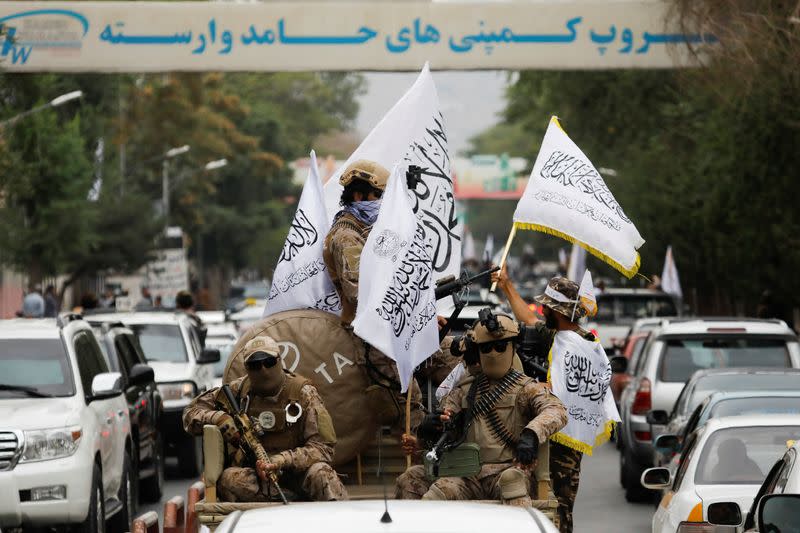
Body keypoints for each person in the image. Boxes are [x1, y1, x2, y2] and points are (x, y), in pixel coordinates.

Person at [395, 311, 567, 507]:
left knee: (513, 484)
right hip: (466, 472)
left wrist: (531, 434)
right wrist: (430, 428)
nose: (493, 353)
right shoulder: (465, 390)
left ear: (513, 348)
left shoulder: (526, 388)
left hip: (508, 470)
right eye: (486, 348)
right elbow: (445, 426)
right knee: (436, 490)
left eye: (501, 346)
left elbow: (556, 410)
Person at [493, 267, 613, 533]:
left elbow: (571, 389)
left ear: (558, 312)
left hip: (565, 444)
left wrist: (544, 388)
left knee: (558, 509)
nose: (542, 311)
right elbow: (527, 318)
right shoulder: (570, 338)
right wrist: (507, 285)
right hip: (559, 436)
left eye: (547, 307)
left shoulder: (577, 345)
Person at [182, 336, 347, 502]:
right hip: (257, 478)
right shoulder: (237, 391)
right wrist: (219, 418)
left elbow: (323, 448)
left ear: (279, 360)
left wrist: (282, 460)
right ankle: (288, 500)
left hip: (300, 474)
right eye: (254, 365)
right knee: (229, 479)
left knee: (322, 473)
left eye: (269, 362)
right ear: (246, 368)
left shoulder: (304, 393)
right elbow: (189, 413)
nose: (263, 370)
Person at [322, 159, 422, 427]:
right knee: (410, 399)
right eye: (379, 196)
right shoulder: (346, 236)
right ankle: (417, 446)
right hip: (368, 334)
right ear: (358, 195)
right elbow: (361, 295)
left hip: (391, 327)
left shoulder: (370, 231)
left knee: (453, 356)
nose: (382, 203)